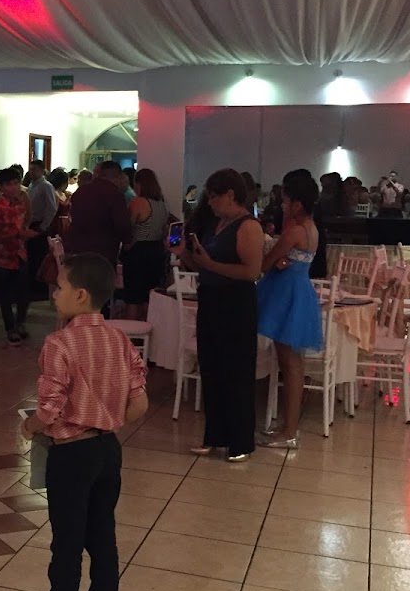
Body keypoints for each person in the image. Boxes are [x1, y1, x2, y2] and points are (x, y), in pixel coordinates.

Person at [14, 253, 149, 591]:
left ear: (81, 294)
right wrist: (103, 417)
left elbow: (50, 408)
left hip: (71, 455)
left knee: (67, 545)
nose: (54, 294)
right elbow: (139, 404)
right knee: (103, 540)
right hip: (108, 451)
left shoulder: (60, 343)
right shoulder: (120, 339)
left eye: (60, 287)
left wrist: (30, 427)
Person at [170, 168, 262, 462]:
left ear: (230, 195)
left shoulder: (248, 226)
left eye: (213, 197)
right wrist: (184, 254)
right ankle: (215, 435)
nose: (209, 202)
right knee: (211, 368)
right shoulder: (218, 224)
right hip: (210, 299)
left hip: (236, 303)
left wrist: (210, 265)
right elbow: (202, 266)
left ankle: (240, 442)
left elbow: (251, 272)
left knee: (236, 372)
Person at [256, 174, 323, 449]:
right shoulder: (311, 229)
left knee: (291, 365)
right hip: (296, 292)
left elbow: (264, 264)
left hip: (286, 296)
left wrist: (272, 255)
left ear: (297, 204)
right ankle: (288, 427)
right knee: (292, 364)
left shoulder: (295, 231)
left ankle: (290, 431)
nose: (282, 205)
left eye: (285, 200)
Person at [0, 167, 36, 344]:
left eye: (16, 183)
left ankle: (20, 323)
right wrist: (15, 234)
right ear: (1, 187)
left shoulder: (21, 204)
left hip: (20, 254)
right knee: (6, 296)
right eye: (10, 184)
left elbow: (26, 222)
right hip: (2, 257)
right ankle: (11, 328)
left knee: (24, 294)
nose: (15, 187)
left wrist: (24, 233)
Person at [120, 168, 169, 320]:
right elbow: (164, 229)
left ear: (139, 184)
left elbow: (127, 228)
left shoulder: (138, 202)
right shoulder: (161, 204)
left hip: (139, 252)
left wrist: (126, 246)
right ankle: (148, 330)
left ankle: (132, 331)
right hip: (157, 251)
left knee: (133, 297)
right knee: (150, 296)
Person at [64, 161, 132, 269]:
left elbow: (72, 217)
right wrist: (127, 241)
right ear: (118, 177)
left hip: (78, 248)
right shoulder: (115, 194)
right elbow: (121, 223)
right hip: (103, 251)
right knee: (100, 279)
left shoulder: (81, 191)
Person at [27, 159, 59, 294]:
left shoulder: (46, 186)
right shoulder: (31, 185)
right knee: (32, 258)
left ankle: (40, 291)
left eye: (34, 169)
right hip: (31, 224)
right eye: (30, 169)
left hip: (39, 225)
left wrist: (44, 226)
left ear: (42, 171)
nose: (31, 172)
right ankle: (33, 288)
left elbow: (52, 208)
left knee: (39, 257)